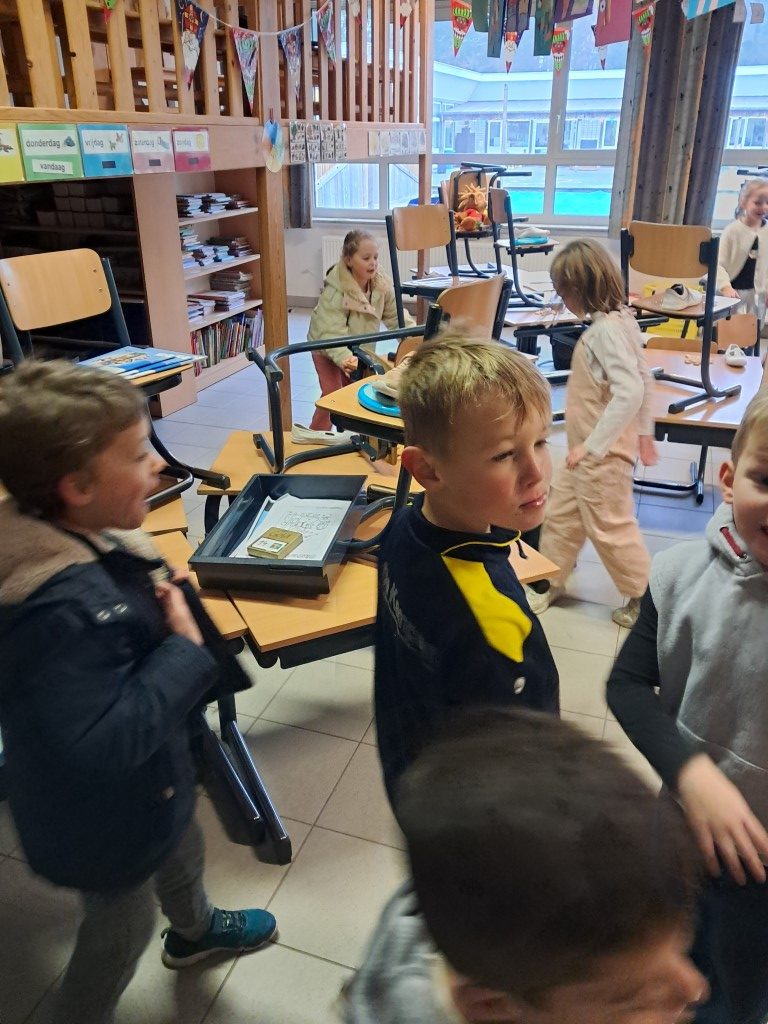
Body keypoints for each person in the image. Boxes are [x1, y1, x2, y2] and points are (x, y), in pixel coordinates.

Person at [0, 361, 277, 1024]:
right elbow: (101, 744)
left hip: (153, 785)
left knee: (184, 849)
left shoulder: (83, 536)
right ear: (76, 487)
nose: (158, 464)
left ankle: (197, 930)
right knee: (121, 929)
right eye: (137, 454)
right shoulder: (59, 613)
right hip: (101, 822)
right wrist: (183, 648)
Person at [344, 708, 707, 1024]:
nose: (694, 990)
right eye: (632, 998)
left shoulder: (488, 908)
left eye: (681, 945)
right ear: (492, 1006)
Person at [607, 389, 768, 1024]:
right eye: (766, 480)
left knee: (741, 993)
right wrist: (692, 773)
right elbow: (626, 686)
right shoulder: (679, 575)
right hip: (683, 836)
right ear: (729, 479)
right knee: (676, 975)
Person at [374, 328, 559, 806]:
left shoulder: (402, 526)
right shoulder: (496, 627)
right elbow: (534, 768)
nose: (537, 471)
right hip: (482, 824)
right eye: (505, 454)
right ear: (428, 471)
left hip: (412, 776)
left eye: (541, 441)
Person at [525, 238, 657, 629]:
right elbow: (645, 378)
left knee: (610, 527)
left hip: (601, 456)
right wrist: (645, 432)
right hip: (586, 451)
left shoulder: (604, 333)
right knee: (561, 517)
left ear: (579, 290)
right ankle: (549, 580)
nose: (561, 300)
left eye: (562, 292)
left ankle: (646, 601)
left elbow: (631, 389)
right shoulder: (622, 320)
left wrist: (594, 447)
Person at [301, 229, 415, 436]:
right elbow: (329, 332)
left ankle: (354, 437)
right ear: (348, 260)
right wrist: (345, 358)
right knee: (332, 395)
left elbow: (396, 318)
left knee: (354, 393)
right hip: (325, 347)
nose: (373, 263)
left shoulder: (381, 285)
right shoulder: (336, 290)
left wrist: (415, 339)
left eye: (376, 257)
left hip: (356, 350)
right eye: (366, 258)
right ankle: (315, 436)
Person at [715, 178, 768, 321]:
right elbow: (718, 264)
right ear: (744, 202)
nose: (763, 207)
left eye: (767, 203)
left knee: (753, 329)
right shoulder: (732, 231)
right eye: (758, 203)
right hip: (732, 293)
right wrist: (725, 287)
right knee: (726, 329)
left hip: (756, 295)